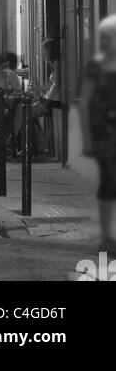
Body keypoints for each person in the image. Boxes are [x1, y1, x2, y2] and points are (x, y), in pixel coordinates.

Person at [80, 14, 116, 256]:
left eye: (108, 37)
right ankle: (107, 237)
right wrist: (88, 140)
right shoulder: (95, 65)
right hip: (105, 134)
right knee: (109, 183)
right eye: (102, 37)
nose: (104, 42)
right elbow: (84, 102)